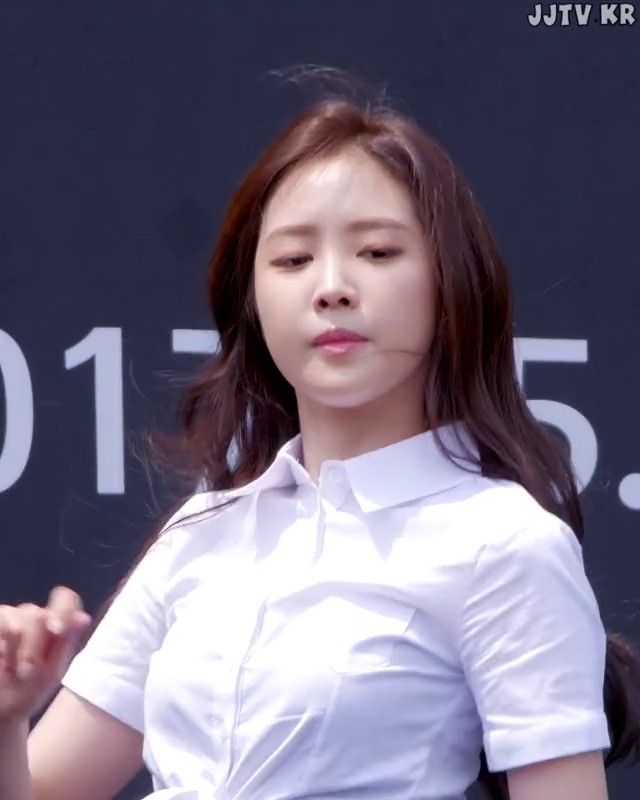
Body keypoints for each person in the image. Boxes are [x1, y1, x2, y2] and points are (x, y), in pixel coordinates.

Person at [1, 73, 639, 800]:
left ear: (451, 283)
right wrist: (7, 717)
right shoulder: (202, 532)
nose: (331, 286)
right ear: (253, 300)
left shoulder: (504, 542)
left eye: (377, 252)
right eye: (293, 260)